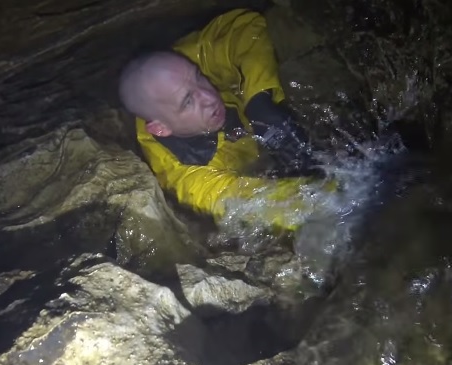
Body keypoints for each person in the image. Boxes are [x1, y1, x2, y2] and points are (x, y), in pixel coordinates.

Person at [117, 8, 337, 233]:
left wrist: (259, 99)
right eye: (188, 102)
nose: (210, 97)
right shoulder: (192, 179)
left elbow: (246, 27)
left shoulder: (178, 67)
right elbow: (267, 204)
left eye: (199, 77)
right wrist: (345, 188)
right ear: (161, 128)